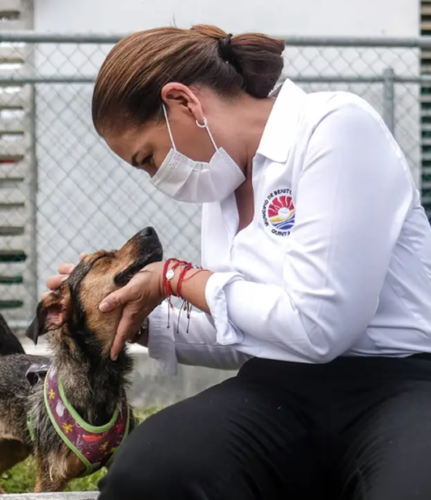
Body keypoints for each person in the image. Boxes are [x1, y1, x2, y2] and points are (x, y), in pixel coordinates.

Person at [44, 24, 431, 500]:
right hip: (277, 389)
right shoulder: (222, 184)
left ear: (183, 102)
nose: (154, 176)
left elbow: (321, 327)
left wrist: (178, 279)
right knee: (150, 471)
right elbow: (249, 328)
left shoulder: (335, 128)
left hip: (398, 381)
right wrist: (132, 318)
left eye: (147, 158)